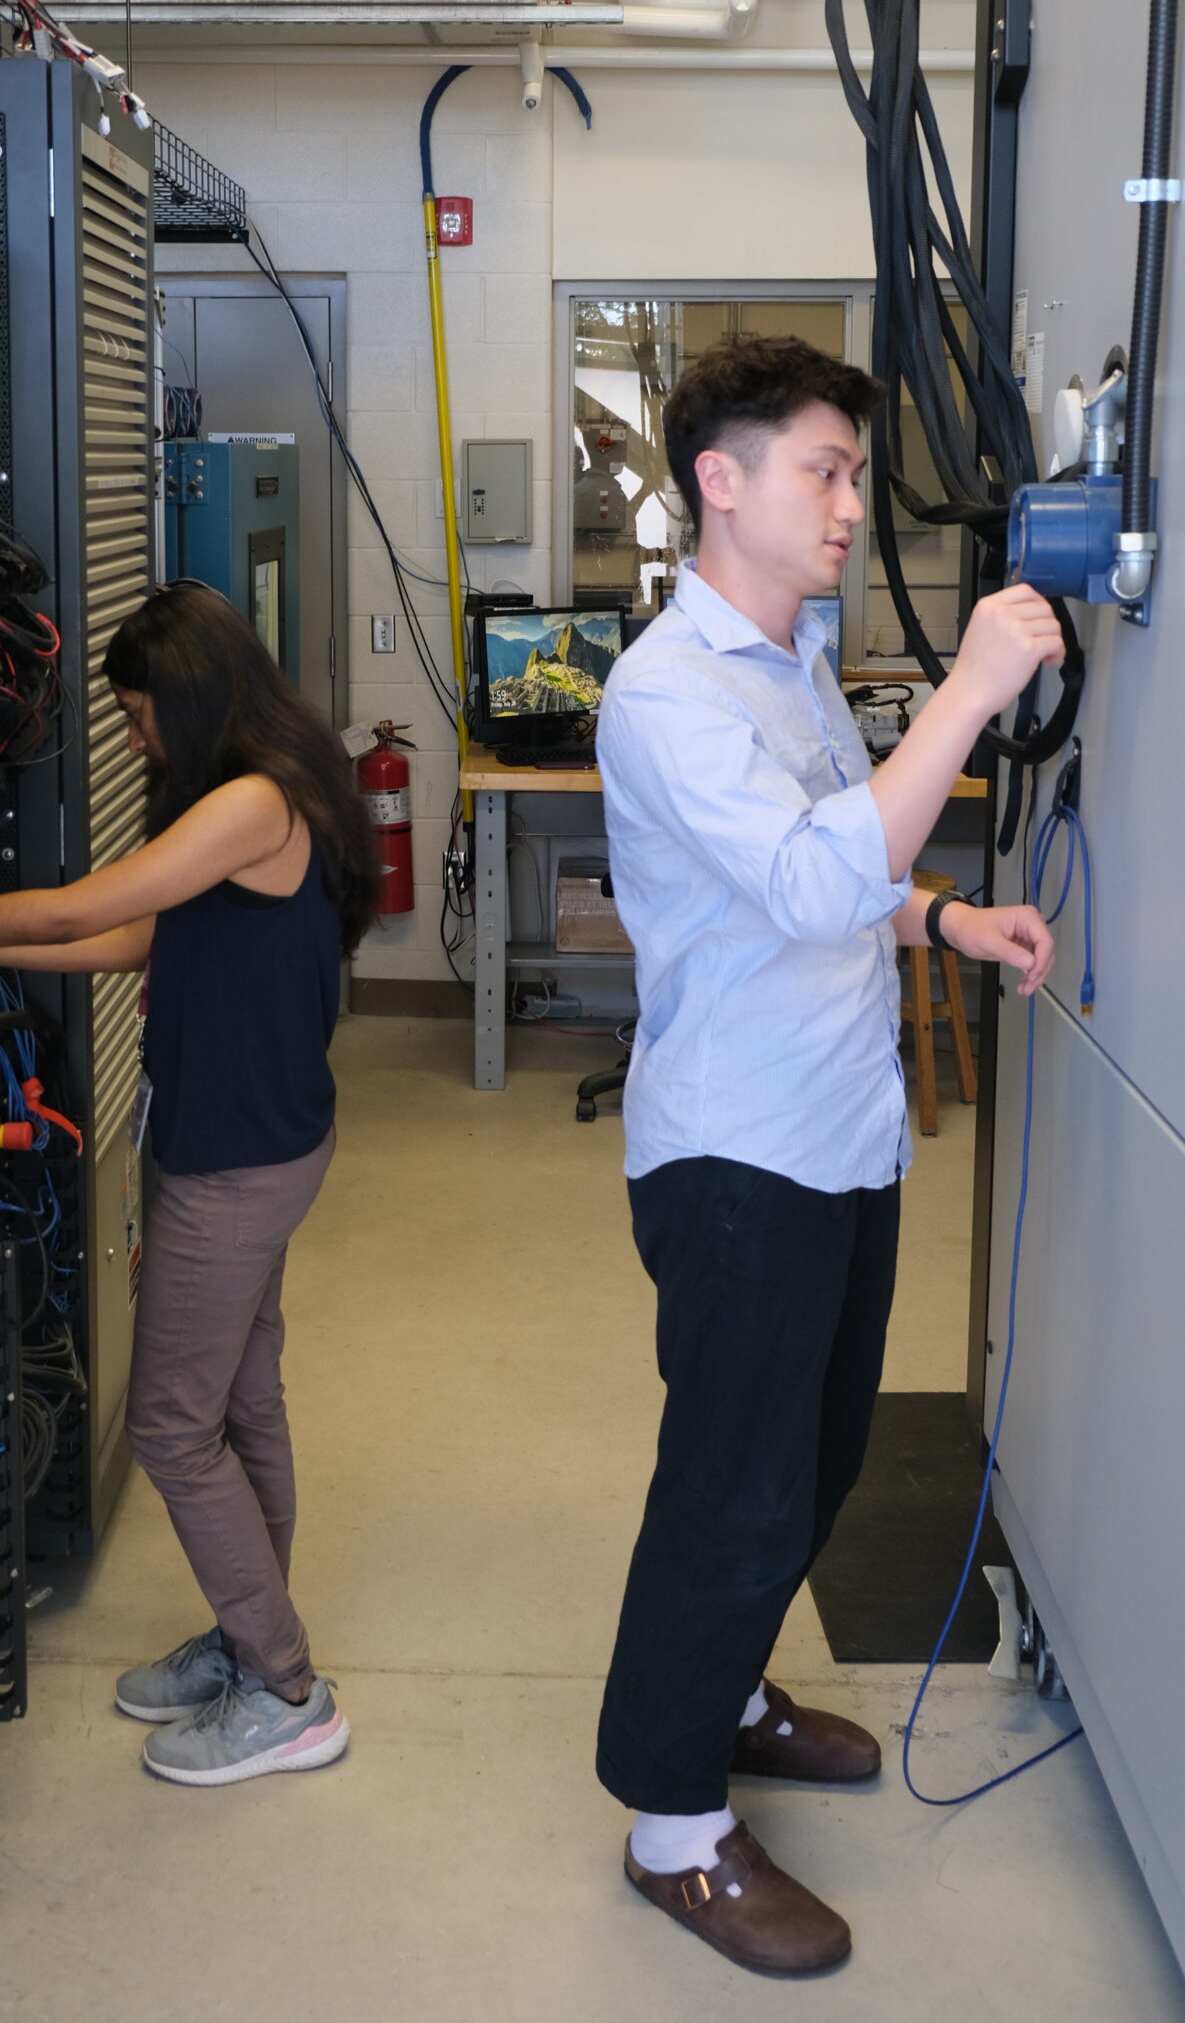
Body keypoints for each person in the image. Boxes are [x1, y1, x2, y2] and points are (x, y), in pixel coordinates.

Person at [593, 337, 1063, 1978]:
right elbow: (802, 886)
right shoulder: (663, 690)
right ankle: (672, 1828)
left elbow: (841, 854)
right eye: (826, 470)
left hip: (835, 1129)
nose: (851, 505)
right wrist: (970, 692)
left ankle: (722, 1695)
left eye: (852, 475)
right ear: (720, 482)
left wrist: (942, 912)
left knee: (820, 1462)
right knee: (729, 1486)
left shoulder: (787, 658)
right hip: (736, 1156)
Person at [0, 581, 378, 1788]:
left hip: (235, 1165)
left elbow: (87, 902)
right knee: (239, 1401)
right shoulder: (281, 777)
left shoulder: (247, 800)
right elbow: (131, 938)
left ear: (186, 693)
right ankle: (251, 1641)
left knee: (176, 1429)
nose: (134, 736)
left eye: (136, 712)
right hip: (258, 1142)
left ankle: (286, 1687)